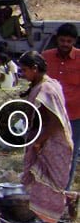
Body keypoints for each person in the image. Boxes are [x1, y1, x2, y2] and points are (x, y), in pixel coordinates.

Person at [19, 51, 77, 223]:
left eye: (25, 70)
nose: (23, 74)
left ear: (35, 69)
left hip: (53, 144)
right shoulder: (43, 84)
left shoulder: (47, 89)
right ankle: (69, 200)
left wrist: (38, 141)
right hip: (45, 142)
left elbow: (55, 122)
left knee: (47, 187)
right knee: (45, 184)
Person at [43, 23, 79, 190]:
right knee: (47, 153)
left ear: (74, 42)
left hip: (74, 116)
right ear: (57, 39)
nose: (65, 44)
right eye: (62, 40)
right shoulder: (46, 57)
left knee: (69, 154)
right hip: (49, 116)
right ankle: (47, 190)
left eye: (69, 41)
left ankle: (64, 192)